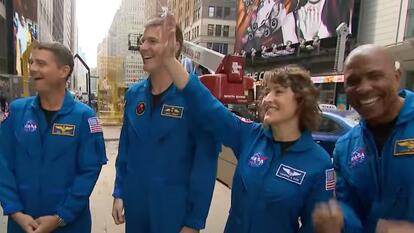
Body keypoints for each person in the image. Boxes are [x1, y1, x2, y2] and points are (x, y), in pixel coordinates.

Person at [161, 15, 334, 233]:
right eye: (266, 92)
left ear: (302, 100)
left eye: (278, 92)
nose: (267, 99)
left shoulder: (319, 164)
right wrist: (169, 60)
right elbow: (207, 106)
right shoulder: (250, 136)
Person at [111, 17, 220, 233]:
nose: (143, 47)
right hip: (137, 206)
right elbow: (125, 150)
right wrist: (120, 192)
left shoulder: (195, 99)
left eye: (152, 41)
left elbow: (205, 165)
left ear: (174, 46)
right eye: (142, 41)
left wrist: (194, 221)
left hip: (173, 211)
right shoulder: (134, 95)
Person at [0, 41, 107, 233]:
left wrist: (60, 217)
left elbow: (89, 171)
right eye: (32, 62)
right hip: (21, 225)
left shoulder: (85, 117)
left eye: (41, 63)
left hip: (70, 225)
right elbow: (3, 164)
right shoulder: (16, 112)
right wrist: (16, 212)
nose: (32, 68)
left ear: (63, 71)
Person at [312, 44, 414, 233]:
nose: (364, 88)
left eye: (375, 76)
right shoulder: (345, 147)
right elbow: (351, 210)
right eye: (353, 81)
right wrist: (339, 222)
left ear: (397, 77)